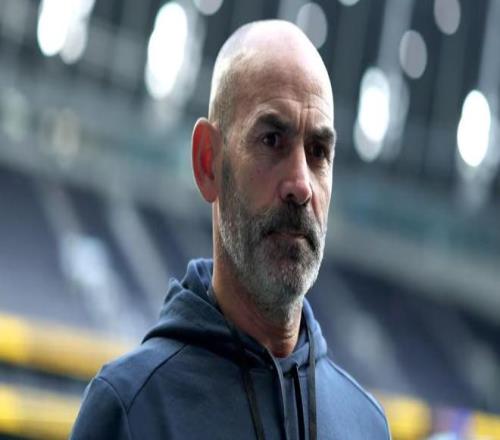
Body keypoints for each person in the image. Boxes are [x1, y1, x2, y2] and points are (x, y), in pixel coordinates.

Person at [70, 20, 391, 440]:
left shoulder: (367, 425)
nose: (301, 185)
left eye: (318, 151)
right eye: (272, 140)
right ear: (208, 162)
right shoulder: (131, 409)